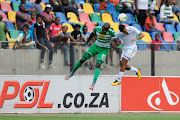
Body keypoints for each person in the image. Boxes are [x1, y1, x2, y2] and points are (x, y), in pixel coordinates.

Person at [65, 23, 121, 90]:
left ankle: (93, 83)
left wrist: (117, 43)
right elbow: (92, 35)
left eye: (106, 30)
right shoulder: (97, 29)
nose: (104, 31)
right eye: (104, 29)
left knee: (98, 65)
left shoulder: (111, 32)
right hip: (95, 46)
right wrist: (86, 42)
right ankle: (72, 73)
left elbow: (115, 40)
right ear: (102, 27)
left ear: (108, 29)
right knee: (82, 59)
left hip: (104, 50)